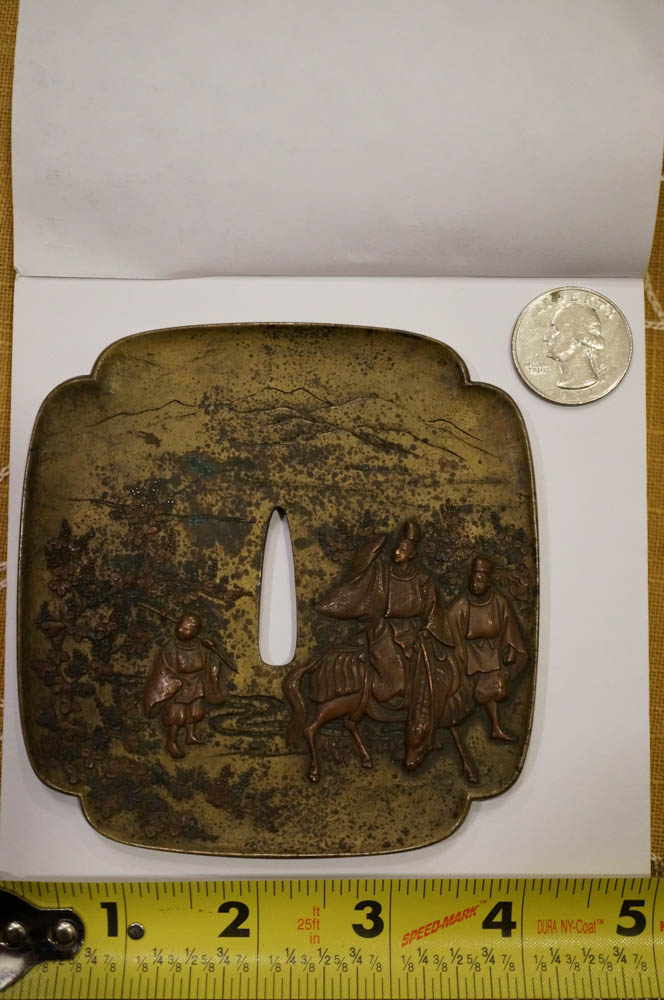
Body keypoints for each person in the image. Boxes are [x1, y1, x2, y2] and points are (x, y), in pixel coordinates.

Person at [317, 520, 455, 704]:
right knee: (394, 676)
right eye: (396, 547)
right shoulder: (383, 573)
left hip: (413, 633)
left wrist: (427, 631)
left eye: (403, 549)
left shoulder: (423, 580)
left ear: (412, 553)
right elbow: (359, 571)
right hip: (384, 631)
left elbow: (433, 611)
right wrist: (374, 546)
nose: (397, 552)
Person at [448, 555, 526, 740]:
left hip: (493, 656)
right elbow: (451, 635)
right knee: (479, 689)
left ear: (489, 582)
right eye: (473, 579)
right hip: (469, 658)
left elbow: (510, 631)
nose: (475, 584)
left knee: (497, 688)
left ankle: (495, 727)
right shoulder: (461, 607)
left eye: (481, 580)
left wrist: (511, 649)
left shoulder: (500, 604)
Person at [143, 612, 228, 759]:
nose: (182, 630)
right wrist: (177, 682)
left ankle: (190, 735)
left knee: (195, 712)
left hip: (196, 684)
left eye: (189, 628)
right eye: (181, 626)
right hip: (178, 685)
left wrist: (212, 647)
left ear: (196, 631)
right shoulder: (171, 648)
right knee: (177, 716)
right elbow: (165, 669)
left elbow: (210, 661)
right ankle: (171, 741)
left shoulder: (200, 647)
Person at [544, 302, 605, 390]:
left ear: (580, 337)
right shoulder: (565, 381)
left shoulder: (581, 381)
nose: (546, 338)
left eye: (556, 329)